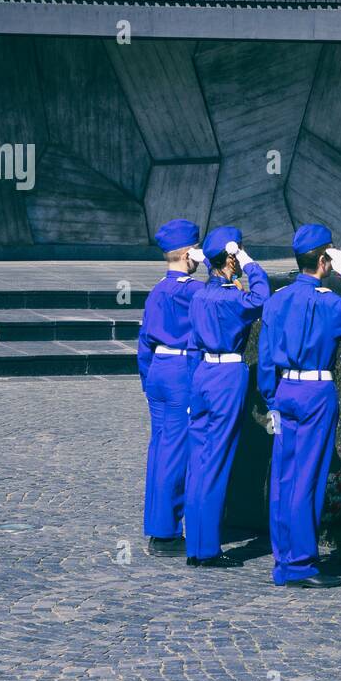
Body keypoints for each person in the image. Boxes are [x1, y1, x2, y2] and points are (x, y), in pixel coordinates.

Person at [257, 224, 341, 589]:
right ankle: (301, 564)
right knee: (307, 478)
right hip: (315, 392)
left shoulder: (277, 299)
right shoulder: (324, 301)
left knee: (284, 477)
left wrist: (271, 398)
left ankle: (284, 557)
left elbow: (264, 358)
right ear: (324, 260)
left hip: (284, 390)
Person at [184, 228, 270, 568]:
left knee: (200, 463)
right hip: (227, 376)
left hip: (203, 374)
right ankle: (207, 550)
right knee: (216, 463)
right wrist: (251, 265)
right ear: (231, 258)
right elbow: (263, 297)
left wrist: (193, 389)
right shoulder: (234, 298)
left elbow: (192, 346)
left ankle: (196, 545)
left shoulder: (199, 296)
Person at [137, 218, 204, 557]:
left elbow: (144, 340)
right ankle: (165, 534)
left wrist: (147, 378)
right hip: (180, 370)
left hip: (158, 371)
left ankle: (156, 525)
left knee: (160, 447)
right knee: (177, 452)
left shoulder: (158, 290)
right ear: (190, 252)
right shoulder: (194, 291)